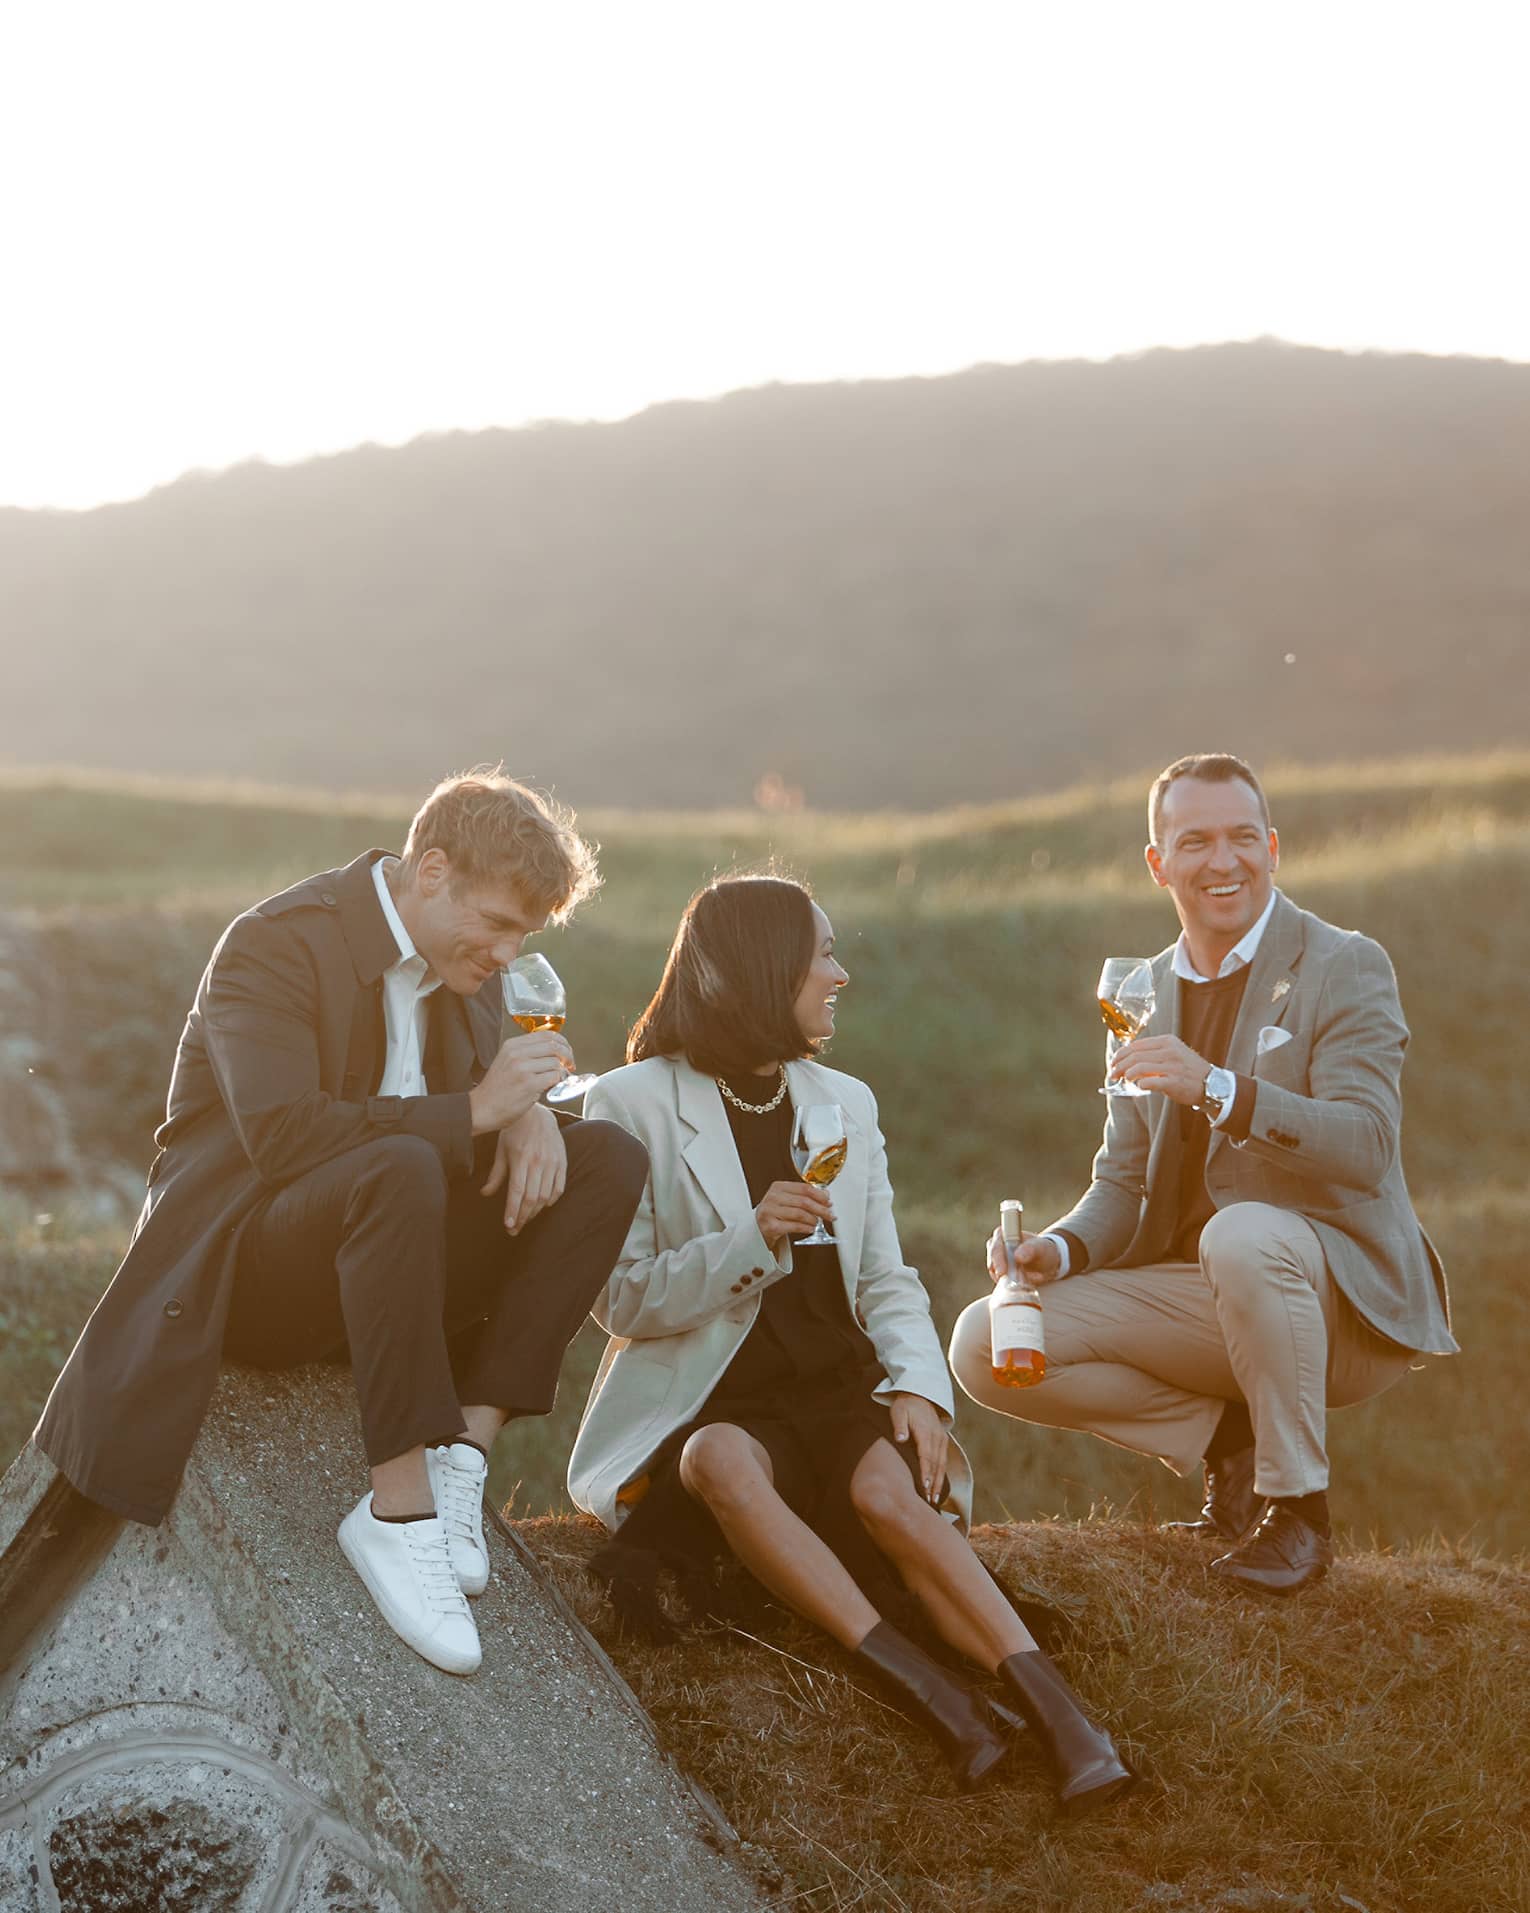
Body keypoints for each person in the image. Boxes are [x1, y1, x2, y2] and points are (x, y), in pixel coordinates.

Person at [35, 770, 648, 1675]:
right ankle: (396, 1514)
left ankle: (459, 1458)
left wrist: (524, 1112)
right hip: (250, 1269)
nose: (510, 952)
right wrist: (480, 1111)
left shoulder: (465, 961)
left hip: (394, 1257)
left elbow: (474, 1099)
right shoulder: (274, 944)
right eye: (501, 923)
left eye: (526, 933)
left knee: (608, 1156)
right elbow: (286, 1138)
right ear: (430, 871)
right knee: (396, 1162)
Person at [567, 875, 1132, 1810]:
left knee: (888, 1490)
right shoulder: (629, 1102)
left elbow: (885, 1279)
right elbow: (624, 1302)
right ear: (762, 970)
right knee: (719, 1460)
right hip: (706, 1395)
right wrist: (752, 1239)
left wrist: (920, 1389)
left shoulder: (844, 1104)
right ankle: (936, 1697)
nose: (841, 973)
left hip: (831, 1383)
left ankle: (1070, 1724)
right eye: (820, 955)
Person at [949, 753, 1456, 1595]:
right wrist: (1060, 1251)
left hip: (1338, 1308)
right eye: (1195, 841)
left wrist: (1218, 1088)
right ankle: (1231, 1444)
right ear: (1159, 863)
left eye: (1241, 838)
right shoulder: (1138, 995)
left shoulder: (1344, 964)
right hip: (1205, 1302)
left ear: (1273, 847)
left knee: (1242, 1232)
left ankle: (1298, 1509)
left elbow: (1367, 1143)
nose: (1223, 861)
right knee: (986, 1342)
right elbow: (1122, 1180)